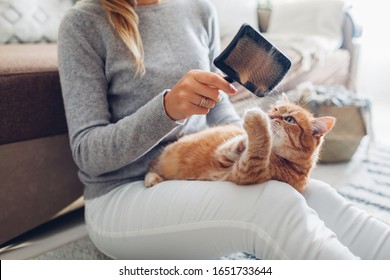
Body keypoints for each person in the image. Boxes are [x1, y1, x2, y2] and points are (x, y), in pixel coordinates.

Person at [58, 0, 390, 260]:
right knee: (273, 204)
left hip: (205, 172)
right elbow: (89, 154)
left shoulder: (199, 9)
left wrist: (253, 146)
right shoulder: (83, 22)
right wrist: (168, 110)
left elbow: (218, 106)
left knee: (316, 195)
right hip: (124, 195)